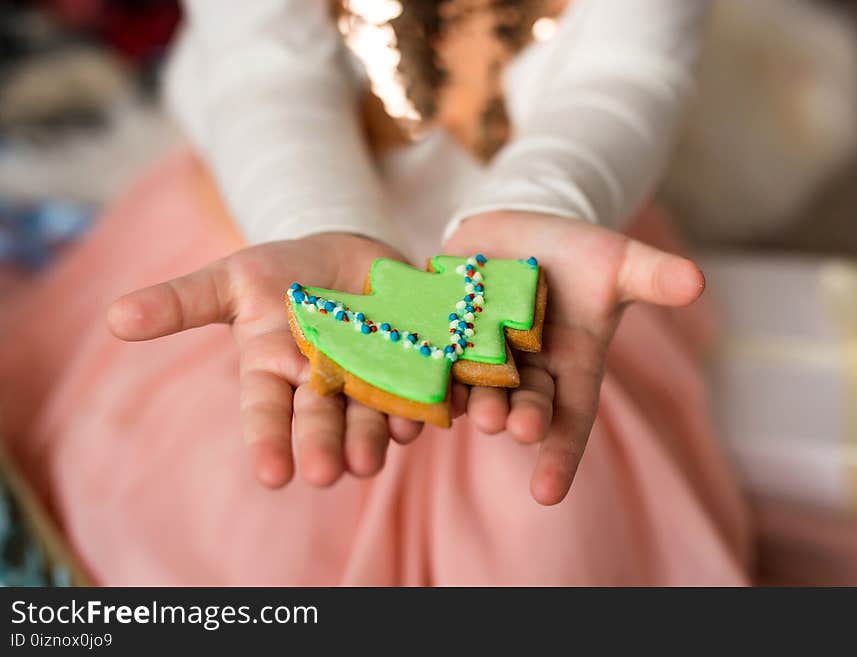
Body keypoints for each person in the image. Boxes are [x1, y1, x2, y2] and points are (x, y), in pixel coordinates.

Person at [0, 0, 752, 584]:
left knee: (554, 546)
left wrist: (546, 203)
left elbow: (629, 70)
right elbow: (260, 66)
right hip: (266, 217)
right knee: (222, 539)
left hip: (550, 244)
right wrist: (317, 223)